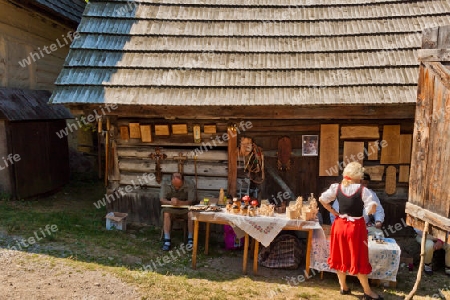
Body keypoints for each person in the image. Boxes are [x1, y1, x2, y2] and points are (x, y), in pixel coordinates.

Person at [319, 162, 383, 300]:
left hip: (339, 226)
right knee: (359, 258)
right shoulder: (362, 190)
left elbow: (322, 199)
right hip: (356, 228)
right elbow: (371, 206)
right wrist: (371, 209)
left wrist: (334, 212)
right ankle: (367, 291)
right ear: (358, 176)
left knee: (340, 256)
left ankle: (344, 287)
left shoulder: (337, 188)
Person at [160, 172, 196, 251]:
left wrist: (180, 203)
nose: (176, 187)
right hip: (171, 208)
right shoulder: (165, 183)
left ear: (182, 181)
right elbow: (162, 200)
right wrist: (170, 202)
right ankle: (167, 240)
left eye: (178, 186)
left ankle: (190, 239)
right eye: (174, 185)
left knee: (191, 213)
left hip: (185, 208)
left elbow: (191, 201)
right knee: (166, 213)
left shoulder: (190, 184)